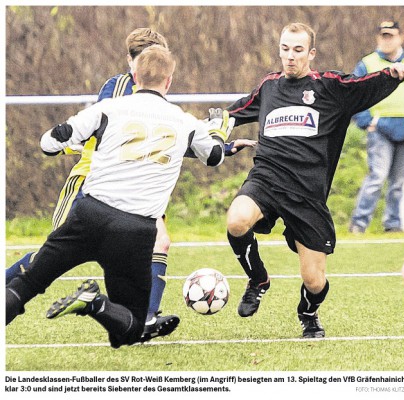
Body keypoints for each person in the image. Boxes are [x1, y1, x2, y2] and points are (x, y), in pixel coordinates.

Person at [5, 28, 255, 342]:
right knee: (126, 319)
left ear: (138, 74)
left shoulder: (117, 108)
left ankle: (142, 314)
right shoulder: (162, 109)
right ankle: (110, 308)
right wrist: (216, 135)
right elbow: (209, 153)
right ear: (167, 79)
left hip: (97, 208)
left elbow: (51, 141)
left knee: (33, 281)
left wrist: (65, 138)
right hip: (123, 212)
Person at [225, 22, 404, 338]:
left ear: (311, 53)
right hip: (266, 180)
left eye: (298, 50)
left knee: (314, 281)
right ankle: (258, 279)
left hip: (307, 194)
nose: (290, 56)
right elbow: (231, 114)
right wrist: (211, 135)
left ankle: (308, 314)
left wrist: (392, 75)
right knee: (237, 221)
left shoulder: (329, 88)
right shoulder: (269, 87)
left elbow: (363, 84)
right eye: (285, 49)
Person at [349, 21, 404, 234]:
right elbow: (354, 94)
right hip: (381, 129)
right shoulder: (368, 64)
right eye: (383, 36)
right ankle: (359, 224)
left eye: (390, 36)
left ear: (400, 37)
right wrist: (366, 121)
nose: (386, 40)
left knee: (398, 181)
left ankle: (393, 225)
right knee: (377, 177)